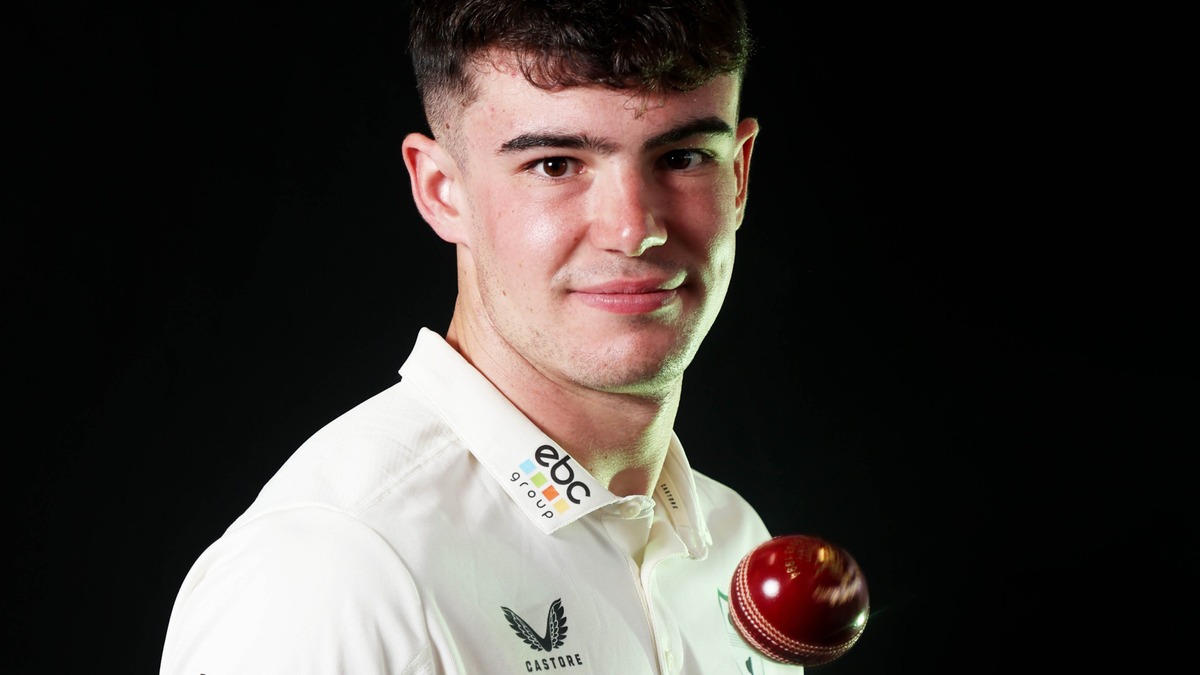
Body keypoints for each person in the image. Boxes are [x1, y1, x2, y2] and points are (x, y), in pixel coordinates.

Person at [160, 1, 795, 672]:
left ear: (739, 175)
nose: (633, 230)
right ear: (442, 190)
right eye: (556, 164)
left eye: (683, 157)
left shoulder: (736, 546)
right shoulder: (336, 566)